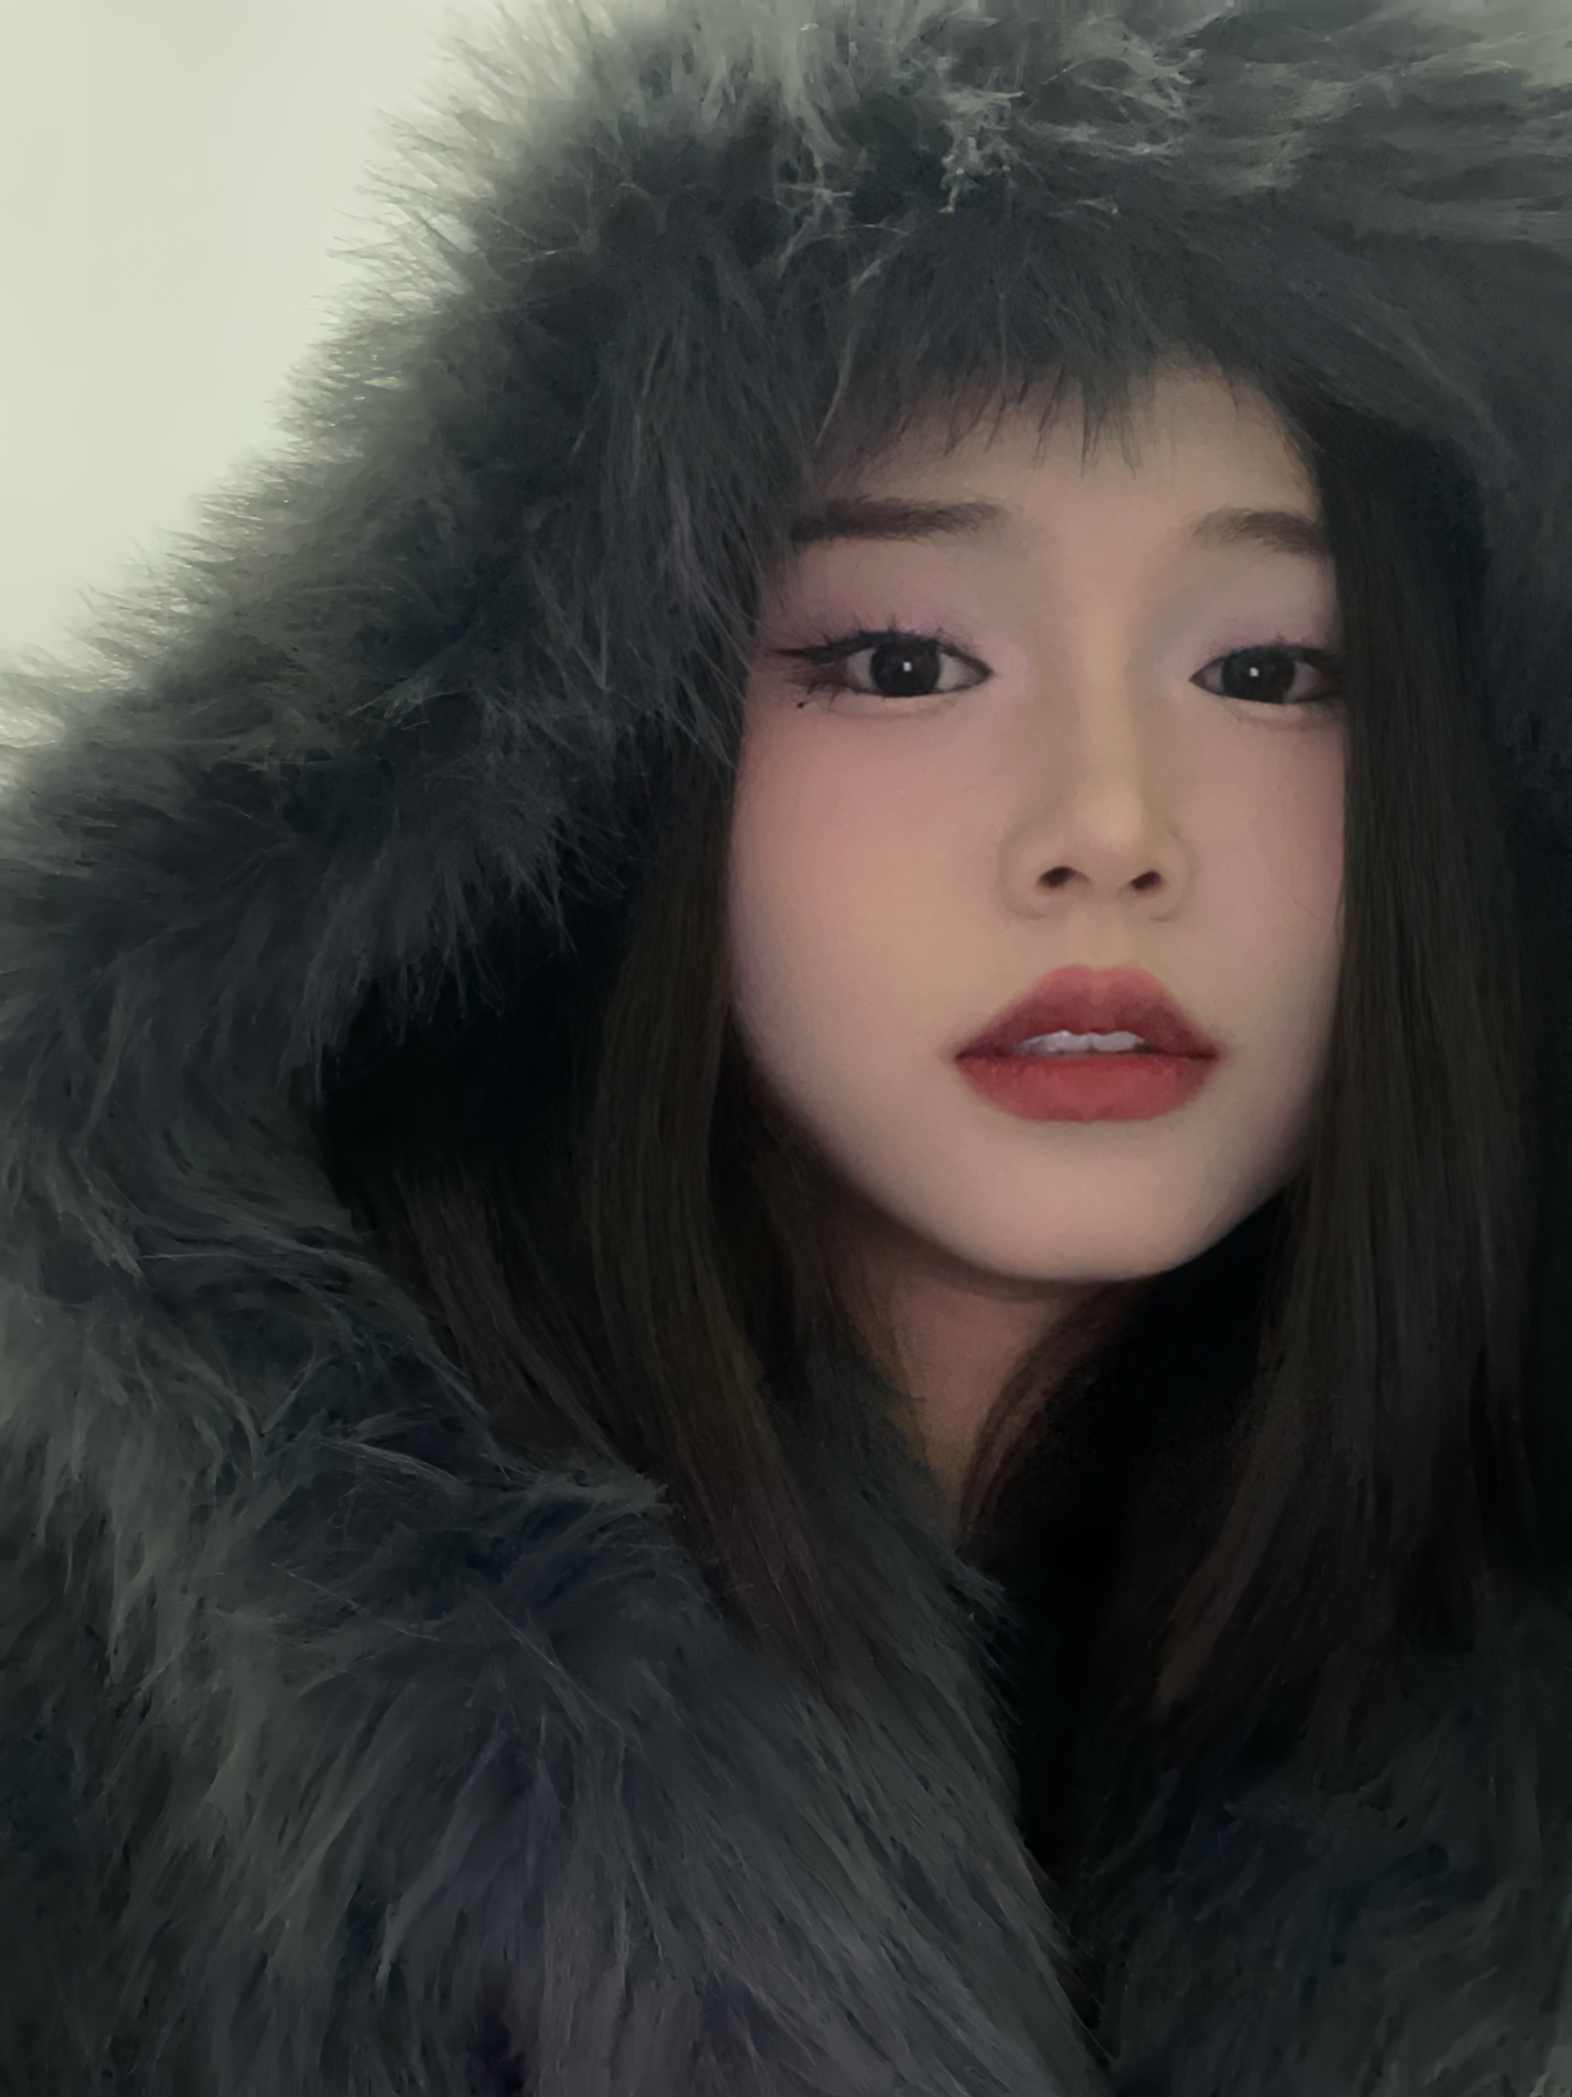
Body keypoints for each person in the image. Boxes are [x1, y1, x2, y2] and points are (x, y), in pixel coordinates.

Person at [3, 1, 1571, 2091]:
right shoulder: (99, 1662)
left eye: (1271, 669)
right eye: (906, 659)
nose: (1110, 826)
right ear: (603, 749)